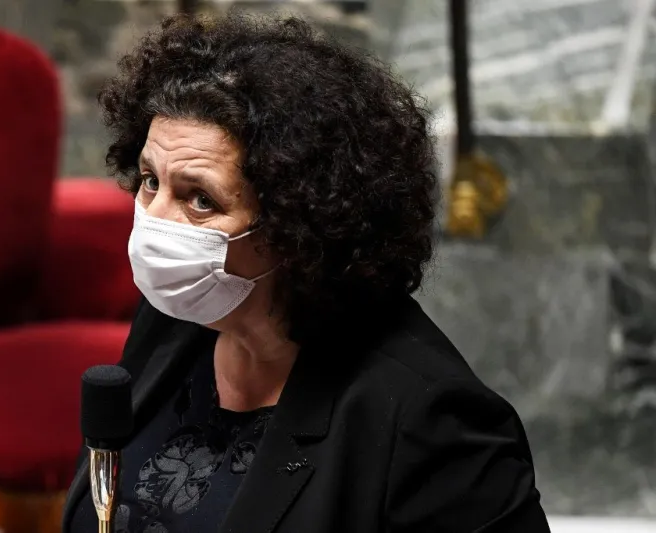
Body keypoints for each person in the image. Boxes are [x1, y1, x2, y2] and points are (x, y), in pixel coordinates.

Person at [63, 13, 550, 533]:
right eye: (149, 180)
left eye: (200, 199)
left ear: (298, 221)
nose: (154, 222)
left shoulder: (433, 423)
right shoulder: (179, 316)